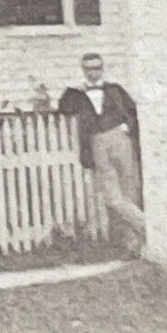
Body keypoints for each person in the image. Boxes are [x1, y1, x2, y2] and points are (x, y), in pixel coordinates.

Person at [58, 52, 145, 246]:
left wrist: (127, 129)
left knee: (129, 190)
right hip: (96, 141)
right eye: (88, 69)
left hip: (119, 139)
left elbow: (132, 110)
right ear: (83, 70)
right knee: (113, 197)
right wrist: (71, 89)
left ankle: (133, 244)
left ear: (102, 69)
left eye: (97, 68)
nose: (93, 73)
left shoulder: (115, 89)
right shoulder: (78, 94)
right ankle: (148, 226)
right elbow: (64, 108)